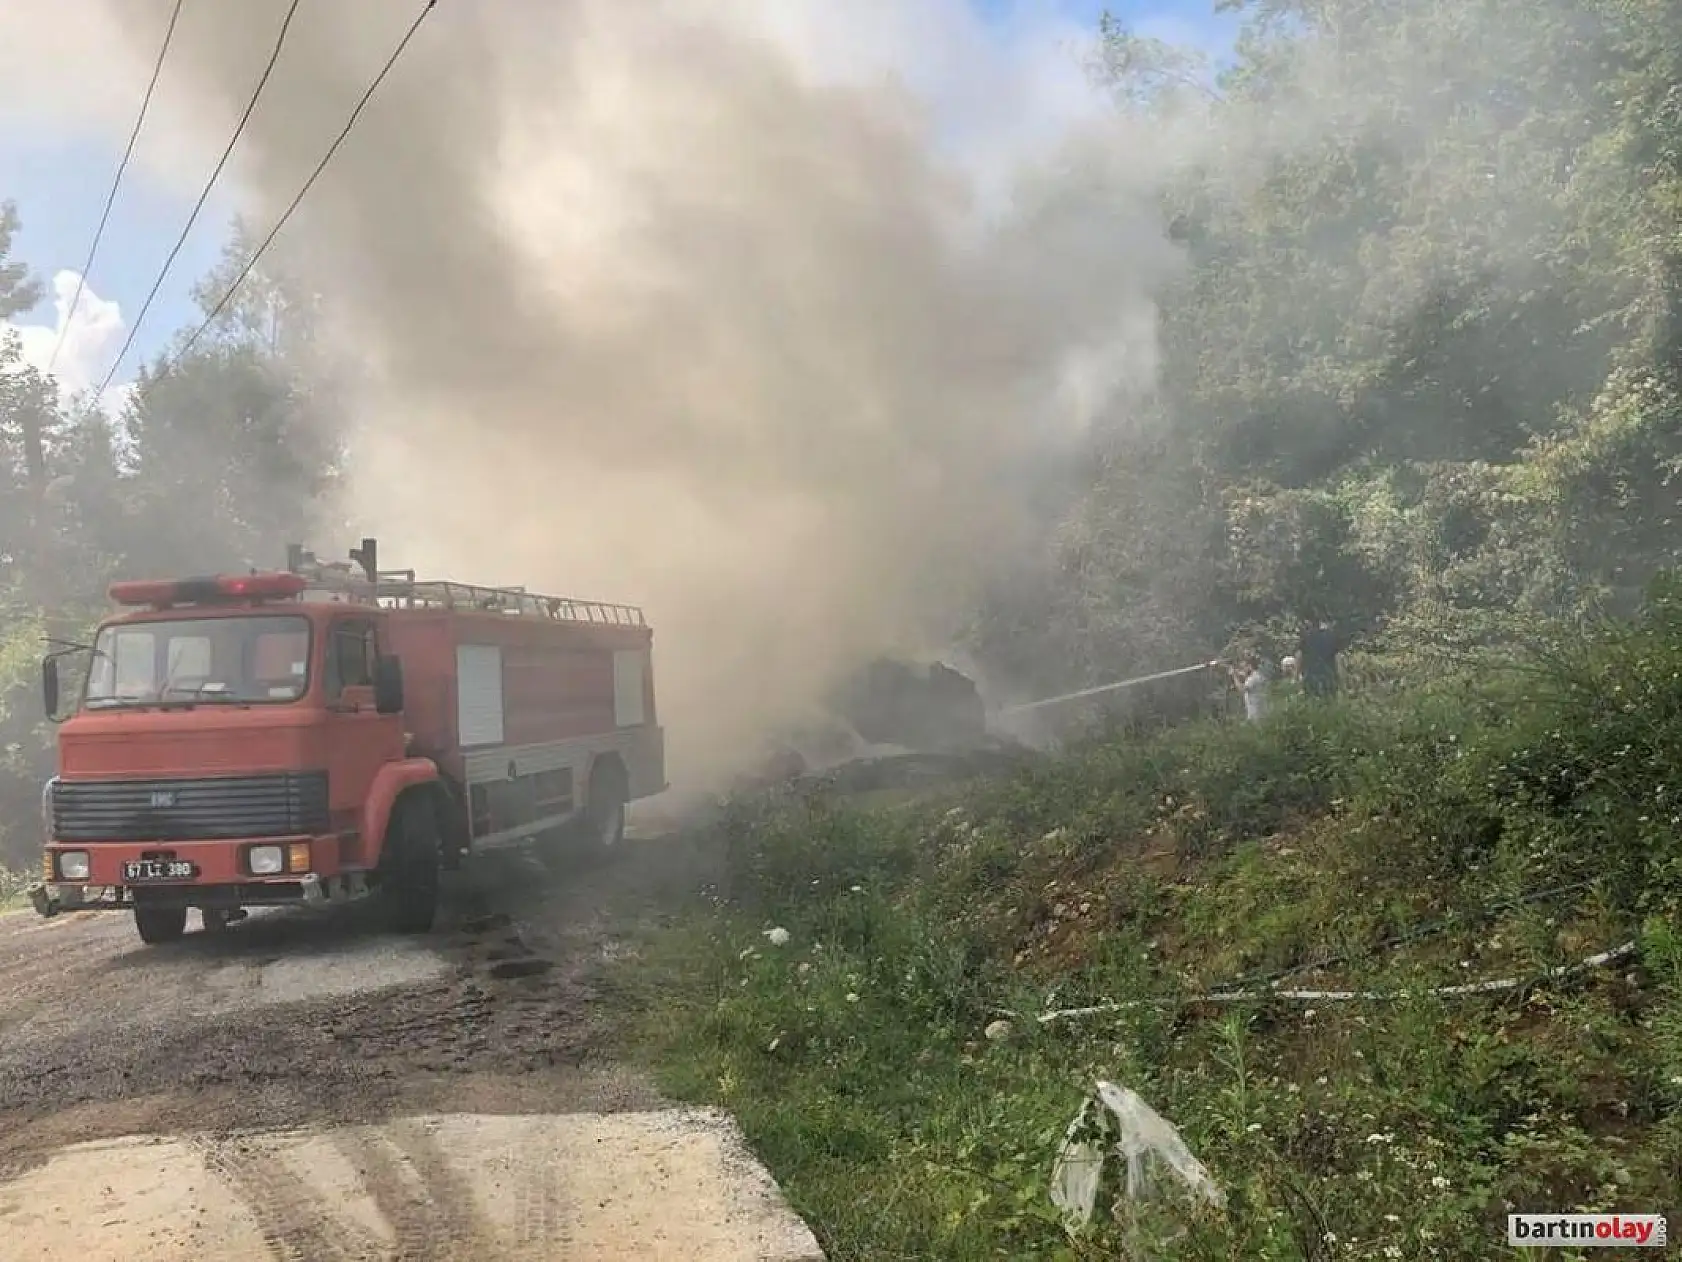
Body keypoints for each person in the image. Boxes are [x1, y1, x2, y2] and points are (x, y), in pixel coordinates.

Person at [1298, 620, 1343, 698]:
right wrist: (1341, 682)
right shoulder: (1332, 638)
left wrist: (1296, 678)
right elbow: (1338, 661)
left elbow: (1299, 657)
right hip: (1328, 678)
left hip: (1311, 678)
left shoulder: (1307, 637)